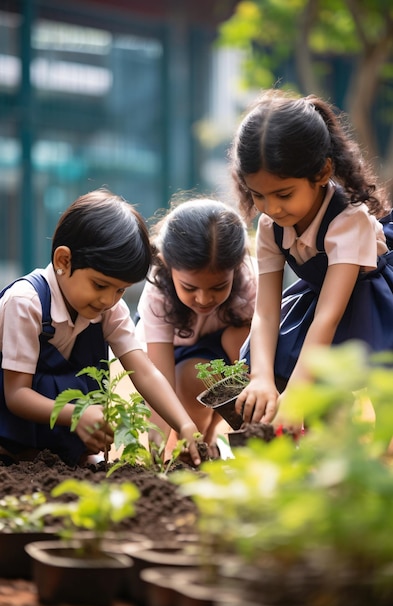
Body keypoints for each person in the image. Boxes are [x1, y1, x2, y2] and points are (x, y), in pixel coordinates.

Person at [0, 189, 202, 466]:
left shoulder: (107, 310)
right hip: (10, 432)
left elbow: (144, 371)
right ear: (63, 261)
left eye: (120, 290)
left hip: (60, 438)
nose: (108, 299)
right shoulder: (26, 303)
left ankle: (72, 455)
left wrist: (185, 424)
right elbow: (16, 395)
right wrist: (78, 415)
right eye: (99, 285)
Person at [230, 89, 393, 430]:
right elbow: (266, 311)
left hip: (371, 301)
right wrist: (261, 377)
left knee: (381, 381)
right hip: (322, 297)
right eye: (258, 195)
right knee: (285, 364)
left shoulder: (349, 222)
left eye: (284, 194)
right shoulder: (271, 226)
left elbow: (328, 318)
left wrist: (297, 391)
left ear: (322, 173)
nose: (272, 208)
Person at [135, 197, 257, 455]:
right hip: (177, 359)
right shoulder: (158, 293)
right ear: (167, 264)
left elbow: (261, 355)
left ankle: (223, 435)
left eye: (218, 287)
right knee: (189, 378)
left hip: (222, 352)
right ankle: (195, 445)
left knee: (241, 339)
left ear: (235, 269)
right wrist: (156, 451)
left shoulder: (249, 282)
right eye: (190, 288)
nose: (204, 299)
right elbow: (160, 379)